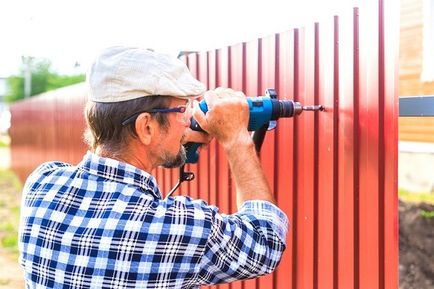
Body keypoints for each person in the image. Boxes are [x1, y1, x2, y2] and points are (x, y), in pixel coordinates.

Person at [18, 46, 289, 289]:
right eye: (182, 110)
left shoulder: (42, 183)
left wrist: (167, 139)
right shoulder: (179, 228)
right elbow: (264, 243)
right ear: (146, 127)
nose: (189, 120)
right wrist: (236, 139)